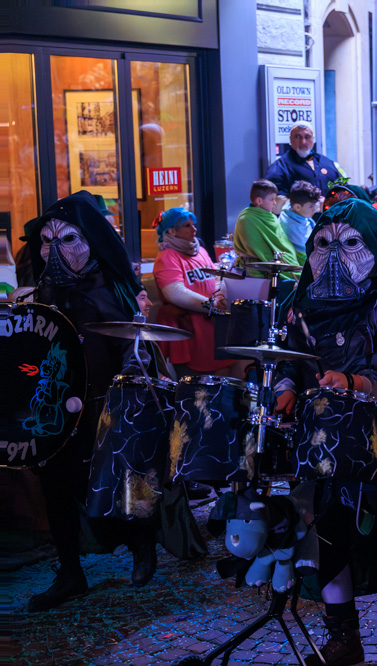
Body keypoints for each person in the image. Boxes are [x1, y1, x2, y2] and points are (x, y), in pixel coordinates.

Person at [273, 198, 377, 666]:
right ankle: (343, 636)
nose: (333, 256)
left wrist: (355, 383)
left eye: (350, 244)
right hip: (315, 440)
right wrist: (286, 385)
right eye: (323, 245)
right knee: (326, 536)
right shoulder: (300, 305)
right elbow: (290, 357)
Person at [21, 192, 157, 610]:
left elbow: (135, 352)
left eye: (67, 239)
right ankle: (70, 572)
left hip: (104, 405)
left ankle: (141, 542)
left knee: (114, 482)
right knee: (57, 486)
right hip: (53, 409)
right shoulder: (38, 292)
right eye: (47, 241)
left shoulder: (113, 290)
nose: (54, 251)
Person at [152, 208, 232, 379]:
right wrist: (210, 305)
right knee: (195, 386)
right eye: (187, 226)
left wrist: (219, 297)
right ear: (172, 231)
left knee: (223, 376)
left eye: (193, 225)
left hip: (211, 326)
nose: (194, 230)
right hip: (189, 330)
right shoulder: (167, 257)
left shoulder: (200, 250)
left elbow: (216, 278)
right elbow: (175, 293)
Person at [233, 179, 304, 278]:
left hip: (275, 266)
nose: (275, 203)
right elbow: (260, 250)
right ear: (259, 201)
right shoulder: (246, 219)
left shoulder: (272, 217)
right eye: (271, 199)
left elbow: (283, 244)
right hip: (255, 273)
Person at [264, 123, 342, 201]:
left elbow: (343, 189)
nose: (303, 142)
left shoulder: (327, 163)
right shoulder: (279, 167)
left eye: (307, 137)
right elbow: (274, 202)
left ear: (313, 139)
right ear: (291, 139)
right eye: (298, 137)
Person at [279, 180, 321, 256]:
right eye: (311, 206)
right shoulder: (288, 226)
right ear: (297, 207)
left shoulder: (301, 215)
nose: (314, 209)